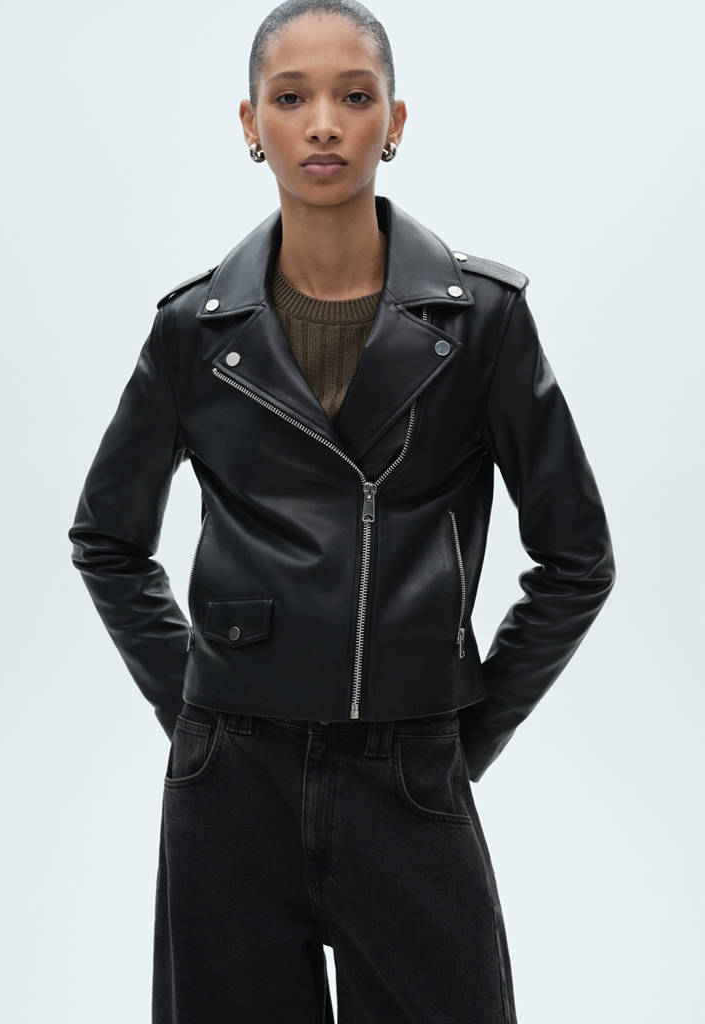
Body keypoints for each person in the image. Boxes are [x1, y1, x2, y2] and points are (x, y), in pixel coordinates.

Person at [67, 1, 616, 1021]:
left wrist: (463, 735)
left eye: (353, 96)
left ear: (393, 120)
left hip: (408, 773)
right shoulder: (194, 330)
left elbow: (577, 558)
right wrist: (196, 713)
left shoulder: (483, 322)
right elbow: (106, 539)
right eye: (291, 98)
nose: (323, 122)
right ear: (250, 123)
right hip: (230, 786)